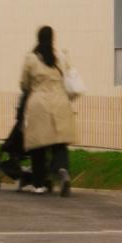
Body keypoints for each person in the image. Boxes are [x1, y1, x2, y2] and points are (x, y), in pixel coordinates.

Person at [16, 24, 78, 193]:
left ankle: (38, 184)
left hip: (39, 103)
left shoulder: (31, 58)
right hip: (60, 102)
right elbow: (68, 76)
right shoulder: (60, 57)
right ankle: (62, 170)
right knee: (59, 143)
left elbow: (24, 84)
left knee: (39, 145)